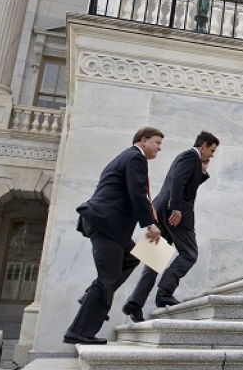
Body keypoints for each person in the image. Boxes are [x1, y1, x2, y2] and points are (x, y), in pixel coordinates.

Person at [64, 127, 164, 344]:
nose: (159, 148)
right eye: (157, 143)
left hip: (108, 225)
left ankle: (91, 297)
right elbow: (137, 192)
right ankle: (79, 332)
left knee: (132, 257)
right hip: (106, 223)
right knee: (107, 278)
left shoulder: (128, 158)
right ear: (143, 140)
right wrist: (150, 224)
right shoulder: (135, 158)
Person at [122, 131, 219, 322]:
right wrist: (176, 209)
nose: (212, 155)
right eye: (212, 151)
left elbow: (188, 184)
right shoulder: (189, 156)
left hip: (161, 211)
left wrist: (203, 169)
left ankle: (134, 303)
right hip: (174, 213)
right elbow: (177, 181)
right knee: (190, 253)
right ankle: (165, 292)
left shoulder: (192, 159)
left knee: (154, 260)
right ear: (204, 146)